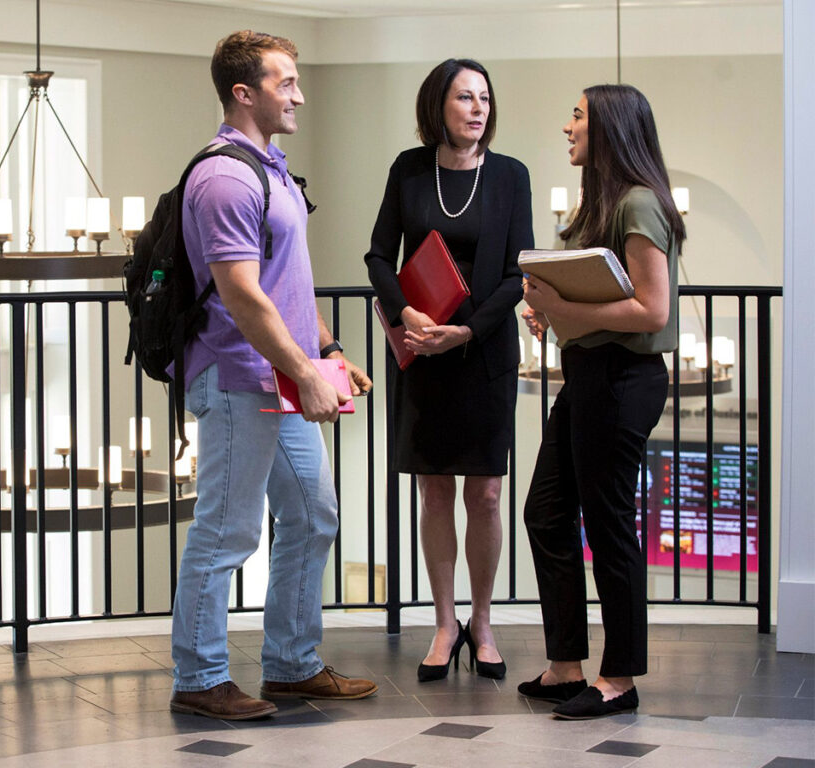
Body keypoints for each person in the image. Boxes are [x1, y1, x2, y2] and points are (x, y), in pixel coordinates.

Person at [168, 30, 378, 721]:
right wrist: (304, 373)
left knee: (314, 516)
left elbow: (288, 282)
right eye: (285, 82)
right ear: (243, 92)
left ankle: (291, 665)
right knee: (226, 534)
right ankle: (200, 679)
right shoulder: (225, 177)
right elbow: (241, 295)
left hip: (277, 378)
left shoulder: (273, 166)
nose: (299, 94)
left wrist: (329, 352)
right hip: (237, 381)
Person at [519, 84, 685, 719]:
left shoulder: (639, 201)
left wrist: (564, 310)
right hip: (590, 375)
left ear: (610, 127)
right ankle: (566, 665)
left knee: (609, 526)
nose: (568, 127)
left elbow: (652, 309)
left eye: (579, 116)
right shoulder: (602, 204)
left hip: (622, 380)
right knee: (546, 512)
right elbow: (597, 299)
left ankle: (619, 678)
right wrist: (557, 314)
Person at [364, 59, 532, 682]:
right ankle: (443, 623)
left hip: (483, 353)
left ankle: (482, 623)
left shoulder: (511, 175)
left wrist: (464, 330)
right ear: (439, 104)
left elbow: (518, 273)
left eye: (485, 97)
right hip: (420, 351)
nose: (478, 108)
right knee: (433, 488)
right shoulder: (409, 170)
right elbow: (379, 253)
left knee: (485, 493)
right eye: (465, 97)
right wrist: (406, 312)